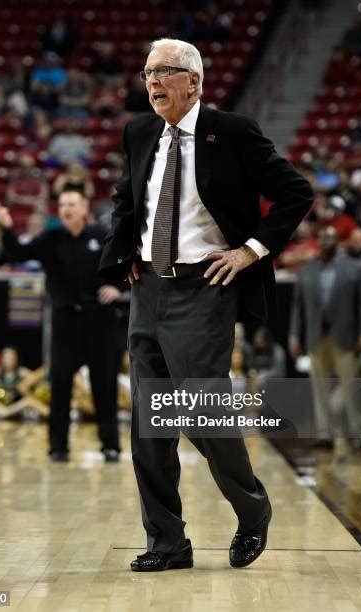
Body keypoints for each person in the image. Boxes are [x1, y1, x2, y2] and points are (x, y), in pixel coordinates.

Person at [98, 38, 313, 571]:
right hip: (148, 288)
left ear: (193, 81)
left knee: (203, 411)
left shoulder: (231, 131)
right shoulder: (139, 131)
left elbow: (295, 192)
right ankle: (167, 542)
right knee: (149, 426)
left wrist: (250, 251)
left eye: (164, 71)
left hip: (205, 287)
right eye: (147, 72)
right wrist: (121, 253)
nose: (152, 81)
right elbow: (128, 199)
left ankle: (252, 508)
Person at [0, 189, 123, 462]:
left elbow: (125, 262)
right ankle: (58, 447)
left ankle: (110, 445)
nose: (66, 209)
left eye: (71, 204)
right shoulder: (50, 238)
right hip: (65, 321)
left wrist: (118, 287)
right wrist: (6, 227)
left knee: (104, 383)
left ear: (84, 207)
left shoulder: (102, 236)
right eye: (62, 205)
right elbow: (18, 253)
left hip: (99, 320)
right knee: (60, 385)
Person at [289, 227, 361, 442]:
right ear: (318, 240)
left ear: (338, 241)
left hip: (346, 337)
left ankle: (359, 432)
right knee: (320, 389)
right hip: (316, 337)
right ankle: (325, 434)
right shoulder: (306, 270)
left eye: (331, 237)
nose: (326, 241)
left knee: (352, 387)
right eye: (323, 237)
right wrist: (294, 336)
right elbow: (298, 307)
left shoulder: (355, 268)